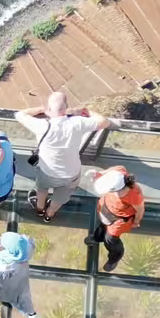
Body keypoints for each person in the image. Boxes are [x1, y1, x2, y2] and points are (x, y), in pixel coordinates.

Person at [16, 91, 114, 222]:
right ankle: (49, 215)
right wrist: (86, 111)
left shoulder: (41, 125)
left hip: (47, 171)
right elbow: (104, 122)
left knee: (42, 189)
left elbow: (19, 114)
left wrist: (41, 109)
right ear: (66, 107)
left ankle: (40, 209)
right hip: (70, 174)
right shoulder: (77, 123)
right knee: (60, 198)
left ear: (49, 109)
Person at [85, 166, 145, 274]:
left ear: (117, 190)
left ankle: (115, 257)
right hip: (106, 208)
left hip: (119, 219)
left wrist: (136, 221)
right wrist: (97, 174)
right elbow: (107, 174)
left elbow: (140, 210)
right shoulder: (119, 172)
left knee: (111, 239)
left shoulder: (133, 194)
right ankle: (97, 238)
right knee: (101, 226)